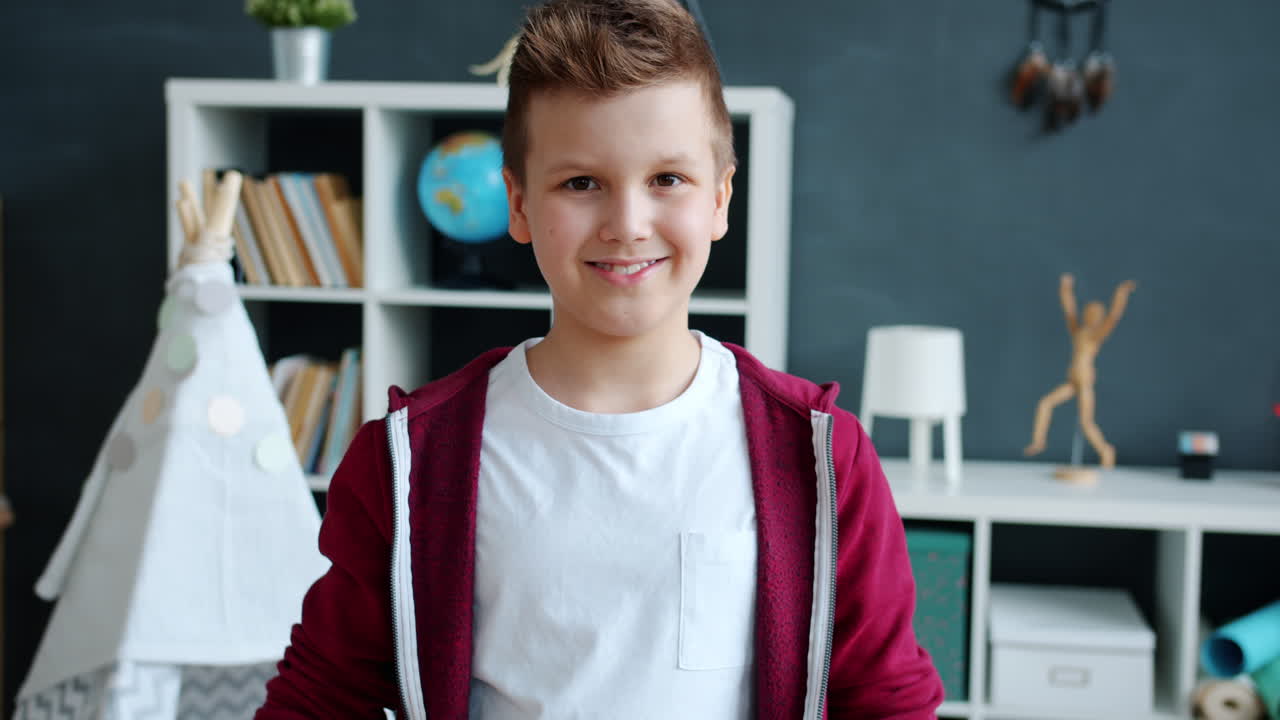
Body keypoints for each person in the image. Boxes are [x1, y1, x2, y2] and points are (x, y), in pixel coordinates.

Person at [256, 0, 942, 717]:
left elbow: (885, 700)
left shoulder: (820, 456)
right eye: (581, 183)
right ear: (518, 204)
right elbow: (318, 698)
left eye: (667, 179)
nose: (627, 225)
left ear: (720, 199)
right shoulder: (409, 462)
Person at [1024, 273, 1137, 468]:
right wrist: (1065, 289)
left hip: (1084, 382)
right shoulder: (1078, 332)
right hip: (1072, 380)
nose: (1089, 315)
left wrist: (1121, 294)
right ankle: (1038, 441)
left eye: (1094, 313)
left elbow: (1114, 316)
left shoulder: (1096, 335)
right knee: (1045, 403)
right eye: (1088, 312)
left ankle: (1106, 450)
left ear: (1098, 317)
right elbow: (1069, 309)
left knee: (1086, 423)